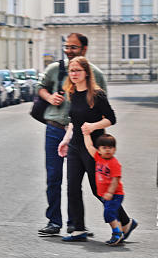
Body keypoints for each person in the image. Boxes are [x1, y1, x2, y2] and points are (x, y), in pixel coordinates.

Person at [56, 56, 135, 241]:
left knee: (98, 189)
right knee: (72, 187)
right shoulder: (72, 93)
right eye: (71, 71)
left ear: (86, 73)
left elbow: (111, 118)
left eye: (77, 70)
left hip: (93, 148)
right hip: (75, 146)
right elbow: (73, 123)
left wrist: (93, 126)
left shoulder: (96, 94)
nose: (73, 74)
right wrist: (65, 140)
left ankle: (126, 222)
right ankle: (78, 229)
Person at [36, 33, 107, 236]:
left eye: (74, 47)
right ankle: (54, 222)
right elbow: (40, 87)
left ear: (84, 49)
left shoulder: (96, 74)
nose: (69, 51)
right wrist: (50, 97)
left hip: (81, 134)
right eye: (67, 46)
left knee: (82, 181)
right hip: (54, 129)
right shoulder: (54, 69)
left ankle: (76, 224)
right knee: (54, 177)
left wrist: (98, 139)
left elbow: (104, 110)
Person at [82, 132, 138, 245]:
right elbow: (89, 146)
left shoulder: (114, 163)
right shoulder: (98, 158)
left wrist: (109, 192)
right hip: (106, 195)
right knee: (111, 213)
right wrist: (86, 134)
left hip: (115, 194)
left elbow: (115, 180)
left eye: (111, 148)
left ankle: (117, 233)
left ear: (115, 149)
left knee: (109, 213)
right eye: (104, 148)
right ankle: (120, 231)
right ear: (99, 150)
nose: (107, 150)